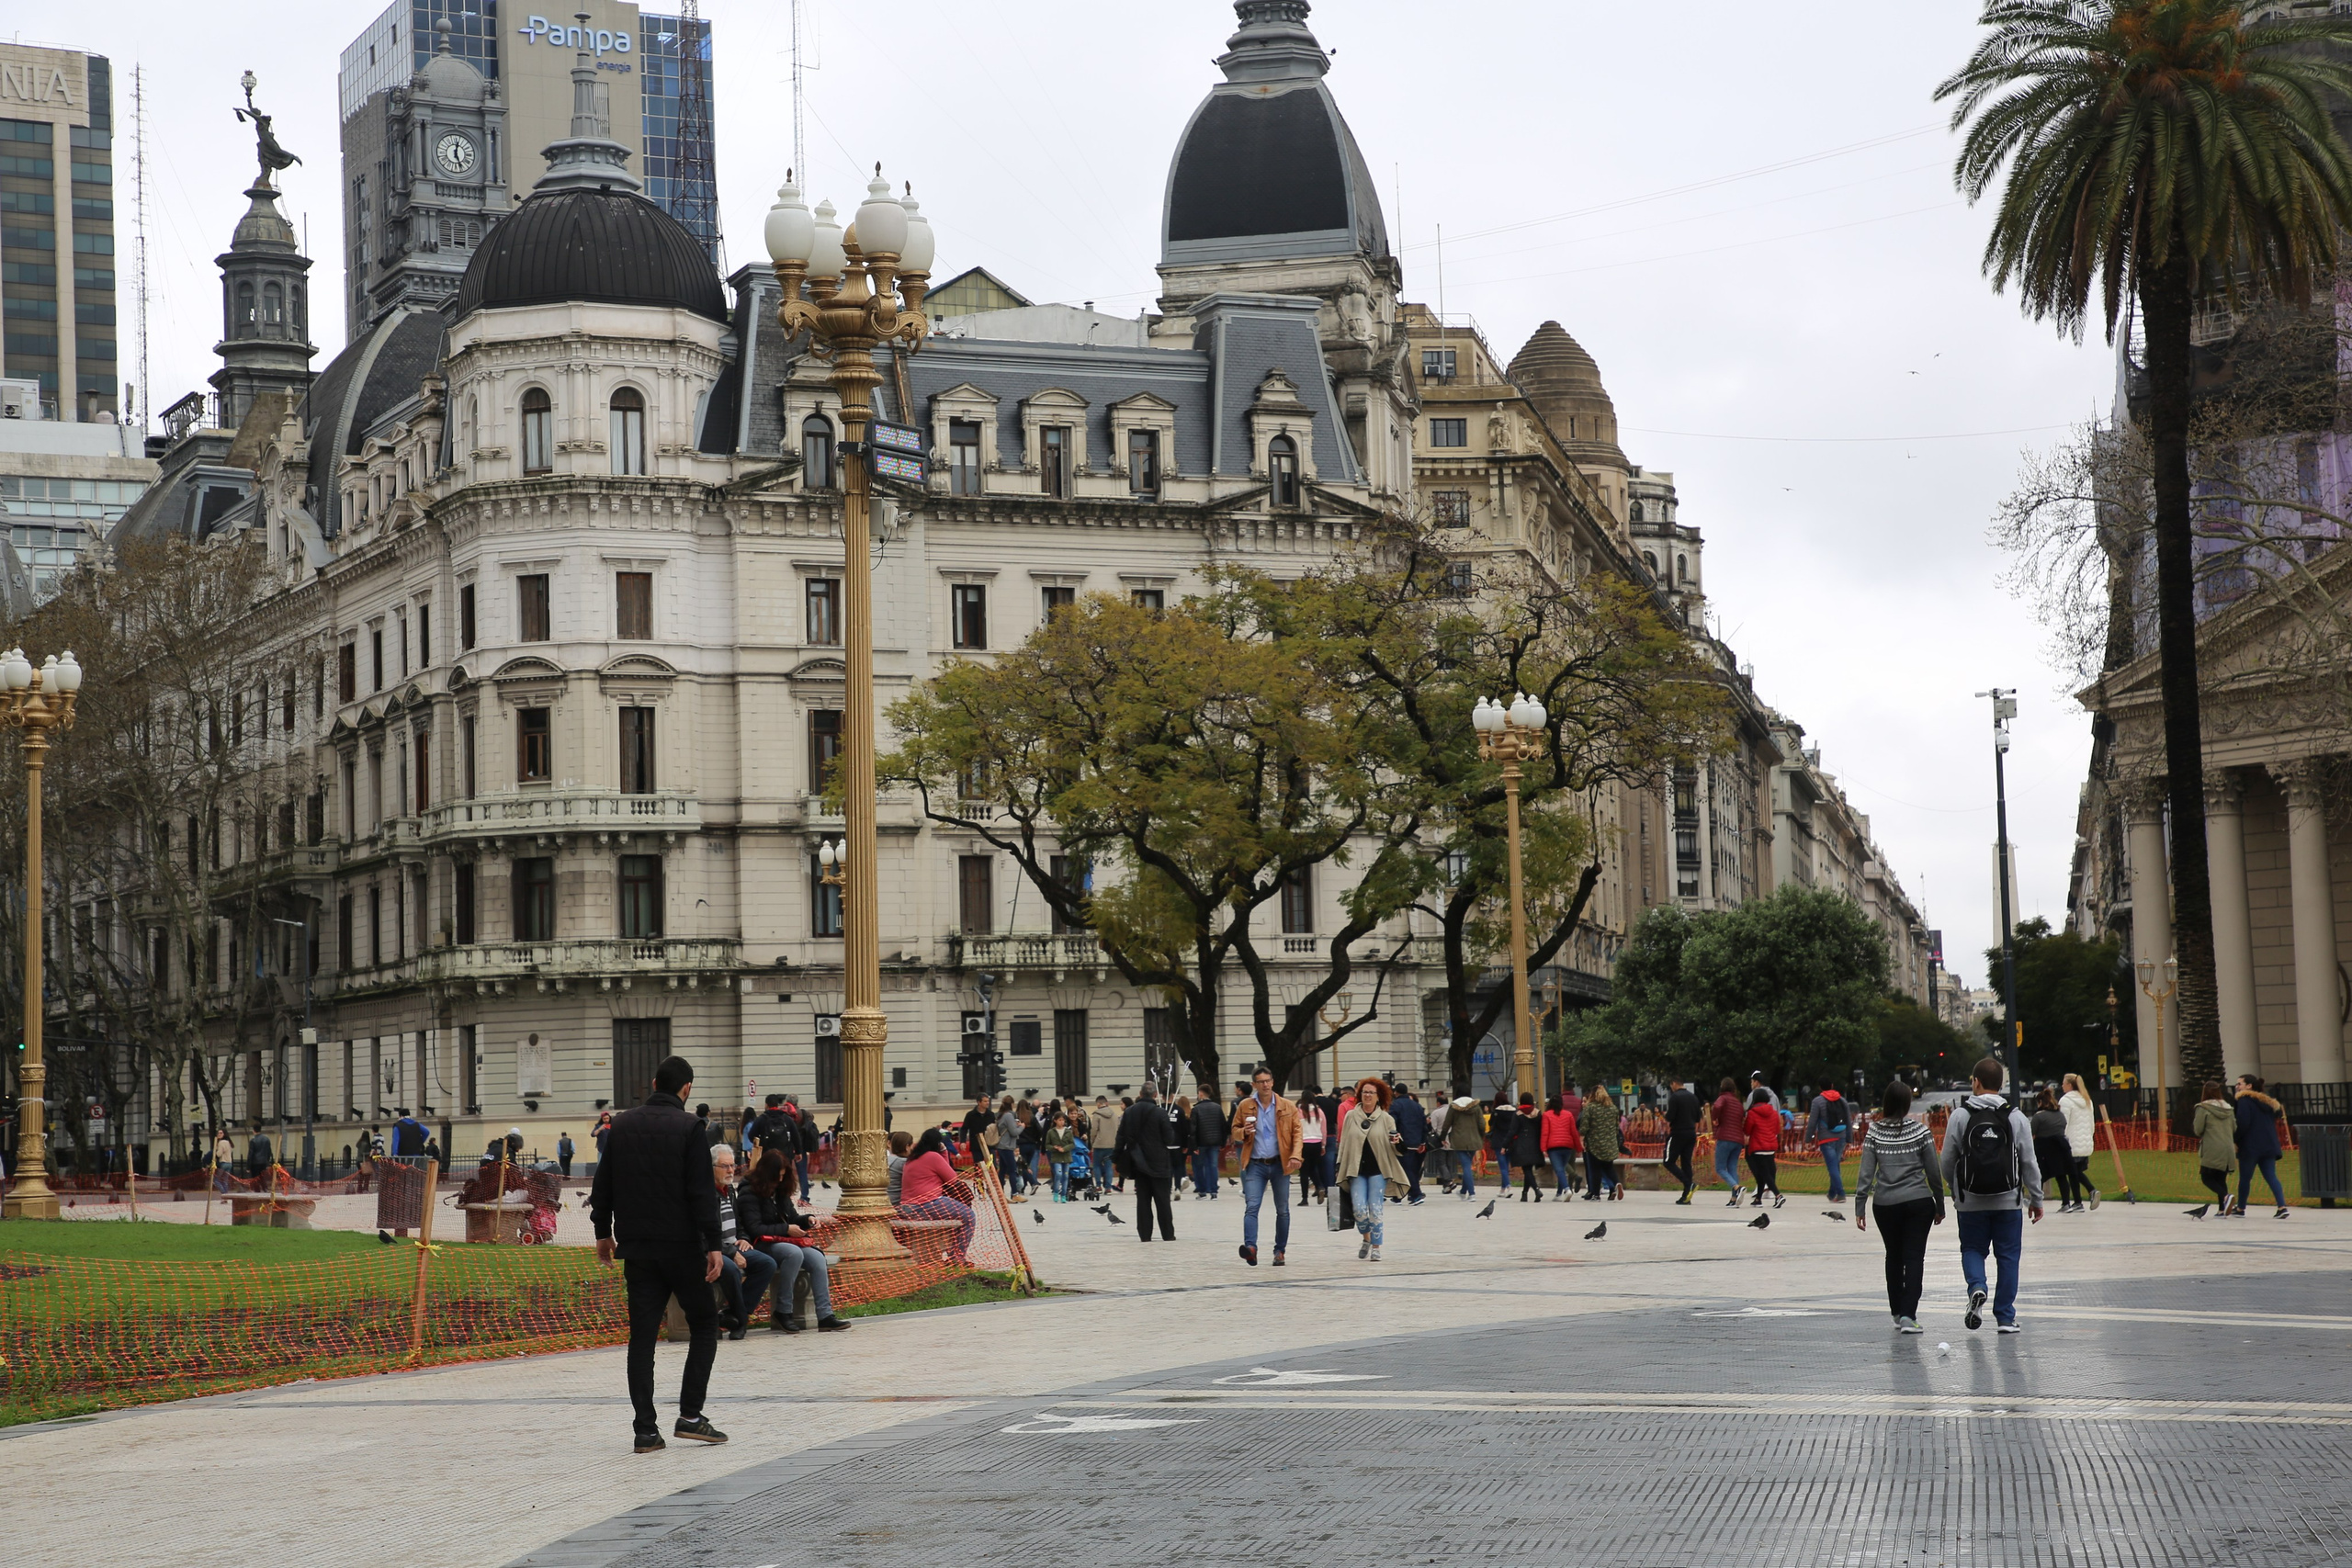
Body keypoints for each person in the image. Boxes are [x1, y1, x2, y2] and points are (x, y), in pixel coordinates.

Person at [587, 1053, 728, 1453]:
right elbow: (702, 1194)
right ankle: (691, 1416)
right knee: (703, 1324)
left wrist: (603, 1232)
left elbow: (605, 1184)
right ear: (687, 1089)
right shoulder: (691, 1128)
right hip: (683, 1248)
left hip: (639, 1250)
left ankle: (645, 1431)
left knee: (642, 1340)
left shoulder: (622, 1125)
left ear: (653, 1084)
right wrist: (714, 1245)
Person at [1939, 1057, 2044, 1334]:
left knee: (1972, 1249)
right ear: (2002, 1084)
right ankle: (2006, 1317)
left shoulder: (1960, 1116)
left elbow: (1947, 1160)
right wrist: (2036, 1198)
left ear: (1975, 1082)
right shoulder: (2016, 1117)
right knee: (2008, 1256)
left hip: (1970, 1201)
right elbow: (2029, 1162)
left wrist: (1955, 1188)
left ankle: (1977, 1287)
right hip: (2008, 1200)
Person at [1852, 1080, 1945, 1333]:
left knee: (1893, 1256)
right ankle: (1908, 1315)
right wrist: (1940, 1201)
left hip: (1885, 1204)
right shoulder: (1921, 1131)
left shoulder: (1874, 1132)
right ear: (1907, 1103)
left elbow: (1866, 1173)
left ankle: (1896, 1311)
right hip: (1918, 1202)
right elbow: (1933, 1172)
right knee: (1914, 1257)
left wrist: (1860, 1205)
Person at [740, 1145, 851, 1333]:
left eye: (783, 1175)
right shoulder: (749, 1192)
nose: (780, 1180)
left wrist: (806, 1220)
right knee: (793, 1254)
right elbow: (754, 1228)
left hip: (784, 1239)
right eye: (777, 1176)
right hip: (761, 1243)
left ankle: (825, 1315)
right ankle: (783, 1311)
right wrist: (786, 1229)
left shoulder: (780, 1190)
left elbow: (790, 1217)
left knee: (817, 1258)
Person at [1227, 1067, 1302, 1266]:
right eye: (1261, 1082)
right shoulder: (1245, 1106)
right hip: (1255, 1164)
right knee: (1252, 1206)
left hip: (1280, 1163)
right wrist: (1243, 1131)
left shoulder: (1287, 1106)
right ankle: (1250, 1248)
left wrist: (1295, 1156)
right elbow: (1234, 1131)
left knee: (1283, 1209)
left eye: (1268, 1081)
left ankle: (1280, 1251)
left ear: (1273, 1081)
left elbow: (1297, 1133)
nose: (1265, 1085)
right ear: (1254, 1085)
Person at [706, 1144, 776, 1341]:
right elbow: (704, 1234)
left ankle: (733, 1315)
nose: (730, 1171)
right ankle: (741, 1321)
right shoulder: (704, 1194)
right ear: (711, 1167)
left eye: (732, 1165)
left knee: (767, 1264)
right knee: (730, 1270)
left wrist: (743, 1239)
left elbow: (739, 1223)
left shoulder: (729, 1190)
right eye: (725, 1166)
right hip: (713, 1250)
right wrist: (730, 1252)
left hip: (733, 1245)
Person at [1336, 1077, 1408, 1261]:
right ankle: (1366, 1238)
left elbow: (1398, 1149)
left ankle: (1376, 1247)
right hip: (1356, 1170)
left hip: (1378, 1171)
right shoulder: (1351, 1116)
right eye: (1364, 1092)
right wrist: (1339, 1165)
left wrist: (1398, 1142)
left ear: (1379, 1097)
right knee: (1359, 1210)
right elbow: (1343, 1142)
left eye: (1371, 1092)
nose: (1367, 1095)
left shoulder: (1386, 1119)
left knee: (1375, 1209)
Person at [899, 1130, 977, 1260]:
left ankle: (953, 1254)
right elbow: (952, 1179)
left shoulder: (913, 1157)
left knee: (956, 1214)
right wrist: (944, 1152)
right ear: (937, 1143)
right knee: (969, 1216)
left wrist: (943, 1154)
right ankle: (957, 1257)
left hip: (907, 1206)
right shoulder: (932, 1157)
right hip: (927, 1204)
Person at [1114, 1082, 1178, 1241]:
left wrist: (1116, 1158)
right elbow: (1169, 1139)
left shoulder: (1129, 1112)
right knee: (1163, 1201)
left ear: (1140, 1094)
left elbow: (1121, 1136)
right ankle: (1167, 1234)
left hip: (1138, 1163)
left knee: (1143, 1201)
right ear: (1155, 1095)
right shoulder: (1161, 1113)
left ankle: (1145, 1234)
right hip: (1159, 1163)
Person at [2233, 1074, 2290, 1219]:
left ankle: (2240, 1208)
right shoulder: (2267, 1103)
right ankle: (2282, 1206)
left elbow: (2243, 1123)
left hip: (2250, 1146)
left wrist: (2235, 1139)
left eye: (2240, 1084)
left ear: (2249, 1086)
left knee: (2245, 1178)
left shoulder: (2244, 1101)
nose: (2237, 1086)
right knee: (2271, 1176)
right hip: (2269, 1145)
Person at [2030, 1087, 2079, 1213]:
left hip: (2044, 1149)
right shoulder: (2060, 1115)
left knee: (2039, 1176)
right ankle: (2066, 1203)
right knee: (2061, 1176)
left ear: (2040, 1102)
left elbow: (2031, 1134)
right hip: (2061, 1147)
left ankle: (2036, 1202)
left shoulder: (2039, 1117)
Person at [2192, 1081, 2237, 1213]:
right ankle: (2222, 1209)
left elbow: (2198, 1129)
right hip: (2228, 1147)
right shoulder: (2228, 1108)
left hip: (2212, 1147)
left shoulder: (2203, 1108)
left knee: (2206, 1178)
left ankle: (2226, 1197)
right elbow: (2234, 1128)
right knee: (2220, 1178)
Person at [2058, 1072, 2100, 1210]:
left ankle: (2091, 1189)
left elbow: (2063, 1123)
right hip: (2085, 1141)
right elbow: (2091, 1123)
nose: (2062, 1086)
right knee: (2074, 1171)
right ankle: (2078, 1202)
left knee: (2073, 1172)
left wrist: (2060, 1140)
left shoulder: (2065, 1101)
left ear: (2069, 1085)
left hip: (2071, 1142)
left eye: (2064, 1083)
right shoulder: (2087, 1100)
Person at [1806, 1085, 1852, 1202]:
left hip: (1826, 1138)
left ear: (1820, 1087)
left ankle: (1841, 1193)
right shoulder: (1842, 1100)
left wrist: (1807, 1139)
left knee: (1832, 1166)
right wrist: (1849, 1138)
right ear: (1831, 1086)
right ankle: (1832, 1193)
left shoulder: (1817, 1101)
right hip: (1841, 1136)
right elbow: (1848, 1119)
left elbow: (1812, 1122)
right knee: (1835, 1165)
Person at [1580, 1083, 1623, 1201]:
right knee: (1609, 1167)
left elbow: (1584, 1126)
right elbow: (1616, 1127)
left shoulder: (1590, 1107)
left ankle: (1596, 1194)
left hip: (1594, 1143)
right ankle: (1617, 1183)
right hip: (1610, 1143)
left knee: (1595, 1169)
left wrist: (1582, 1139)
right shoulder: (1613, 1108)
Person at [1659, 1077, 1700, 1203]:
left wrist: (1665, 1115)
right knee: (1686, 1163)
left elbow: (1670, 1117)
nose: (1671, 1088)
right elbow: (1698, 1117)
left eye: (1671, 1086)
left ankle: (1689, 1184)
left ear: (1674, 1084)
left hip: (1678, 1133)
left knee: (1668, 1161)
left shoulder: (1675, 1097)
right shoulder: (1693, 1097)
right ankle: (1686, 1196)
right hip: (1691, 1133)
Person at [1389, 1082, 1430, 1205]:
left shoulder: (1395, 1105)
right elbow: (1424, 1124)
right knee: (1411, 1169)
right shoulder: (1417, 1106)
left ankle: (1416, 1194)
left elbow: (1392, 1123)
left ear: (1396, 1093)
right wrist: (1422, 1141)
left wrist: (1392, 1136)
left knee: (1406, 1170)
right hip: (1416, 1142)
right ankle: (1399, 1196)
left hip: (1402, 1142)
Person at [1742, 1088, 1782, 1209]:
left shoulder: (1752, 1113)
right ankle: (1758, 1198)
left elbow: (1747, 1130)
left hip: (1758, 1146)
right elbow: (1777, 1129)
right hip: (1771, 1146)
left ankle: (1778, 1195)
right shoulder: (1774, 1113)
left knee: (1763, 1173)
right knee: (1766, 1172)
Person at [1710, 1077, 1747, 1204]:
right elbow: (1742, 1116)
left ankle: (1737, 1188)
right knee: (1731, 1167)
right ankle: (1734, 1198)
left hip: (1725, 1137)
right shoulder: (1738, 1102)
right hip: (1738, 1139)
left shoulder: (1723, 1098)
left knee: (1720, 1168)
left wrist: (1715, 1118)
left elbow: (1717, 1106)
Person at [1189, 1083, 1227, 1199]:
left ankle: (1202, 1191)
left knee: (1199, 1167)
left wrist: (1193, 1146)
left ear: (1200, 1094)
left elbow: (1193, 1129)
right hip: (1215, 1142)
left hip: (1201, 1142)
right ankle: (1214, 1191)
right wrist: (1223, 1142)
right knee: (1213, 1166)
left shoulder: (1196, 1109)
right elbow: (1223, 1126)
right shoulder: (1217, 1107)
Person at [1540, 1094, 1581, 1196]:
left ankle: (1567, 1190)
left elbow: (1545, 1132)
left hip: (1553, 1147)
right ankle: (1559, 1193)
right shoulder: (1568, 1114)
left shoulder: (1546, 1115)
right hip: (1567, 1146)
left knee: (1559, 1169)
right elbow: (1574, 1132)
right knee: (1562, 1169)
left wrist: (1543, 1148)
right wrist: (1578, 1147)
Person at [1444, 1095, 1485, 1199]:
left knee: (1466, 1167)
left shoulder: (1453, 1108)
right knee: (1468, 1166)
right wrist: (1481, 1135)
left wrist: (1442, 1137)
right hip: (1474, 1140)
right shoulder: (1476, 1108)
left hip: (1459, 1140)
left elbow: (1447, 1123)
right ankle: (1463, 1192)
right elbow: (1482, 1124)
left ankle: (1471, 1194)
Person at [1508, 1094, 1544, 1201]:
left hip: (1521, 1145)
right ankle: (1524, 1194)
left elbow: (1512, 1131)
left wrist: (1505, 1145)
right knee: (1528, 1169)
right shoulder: (1538, 1114)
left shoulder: (1518, 1114)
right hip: (1535, 1145)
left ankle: (1537, 1190)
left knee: (1527, 1170)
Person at [1296, 1091, 1329, 1206]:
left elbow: (1295, 1129)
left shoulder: (1299, 1112)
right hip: (1317, 1142)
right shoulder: (1319, 1111)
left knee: (1304, 1171)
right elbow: (1324, 1130)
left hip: (1303, 1143)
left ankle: (1304, 1198)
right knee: (1313, 1168)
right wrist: (1323, 1145)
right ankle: (1320, 1186)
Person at [1087, 1096, 1122, 1191]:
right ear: (1106, 1103)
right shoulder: (1114, 1115)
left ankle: (1098, 1186)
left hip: (1099, 1144)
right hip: (1111, 1144)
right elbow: (1118, 1129)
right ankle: (1108, 1188)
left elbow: (1093, 1130)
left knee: (1097, 1165)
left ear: (1098, 1104)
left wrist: (1092, 1142)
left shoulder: (1097, 1115)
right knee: (1108, 1166)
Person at [1046, 1111, 1077, 1201]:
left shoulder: (1068, 1132)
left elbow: (1072, 1144)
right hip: (1056, 1157)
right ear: (1055, 1121)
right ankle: (1056, 1191)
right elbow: (1047, 1144)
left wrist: (1065, 1149)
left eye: (1063, 1120)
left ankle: (1064, 1195)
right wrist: (1053, 1147)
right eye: (1060, 1120)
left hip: (1066, 1157)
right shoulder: (1051, 1132)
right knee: (1058, 1174)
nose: (1062, 1122)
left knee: (1066, 1176)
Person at [886, 1128, 914, 1206]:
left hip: (886, 1200)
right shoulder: (903, 1163)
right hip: (897, 1203)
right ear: (907, 1147)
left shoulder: (885, 1160)